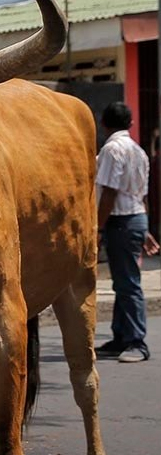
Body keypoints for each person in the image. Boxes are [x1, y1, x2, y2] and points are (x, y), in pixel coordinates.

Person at [95, 102, 159, 364]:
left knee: (128, 284)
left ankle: (136, 342)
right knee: (123, 282)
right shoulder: (139, 151)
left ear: (104, 124)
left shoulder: (111, 150)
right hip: (134, 219)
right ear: (130, 124)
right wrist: (145, 229)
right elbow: (140, 195)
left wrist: (97, 228)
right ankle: (120, 338)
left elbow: (109, 193)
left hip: (120, 222)